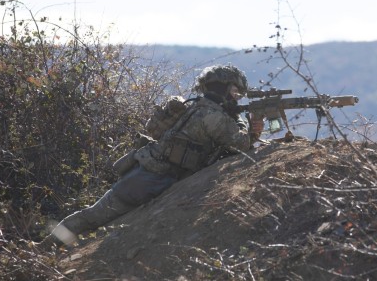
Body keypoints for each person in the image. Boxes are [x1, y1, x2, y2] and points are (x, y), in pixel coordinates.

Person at [36, 65, 263, 250]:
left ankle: (44, 247)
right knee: (94, 216)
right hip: (151, 179)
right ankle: (43, 249)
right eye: (235, 91)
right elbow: (241, 144)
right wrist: (251, 126)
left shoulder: (198, 108)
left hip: (147, 175)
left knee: (94, 215)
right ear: (223, 88)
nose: (237, 97)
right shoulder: (213, 115)